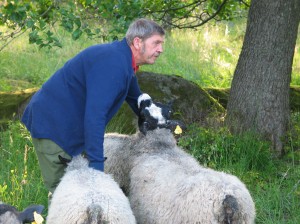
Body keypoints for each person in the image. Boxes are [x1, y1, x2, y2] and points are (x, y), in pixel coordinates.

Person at [22, 18, 165, 194]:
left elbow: (137, 98)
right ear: (137, 42)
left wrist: (159, 123)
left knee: (79, 193)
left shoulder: (123, 61)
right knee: (64, 195)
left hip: (66, 122)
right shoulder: (114, 65)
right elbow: (95, 116)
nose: (160, 49)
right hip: (53, 126)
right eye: (156, 43)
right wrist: (97, 169)